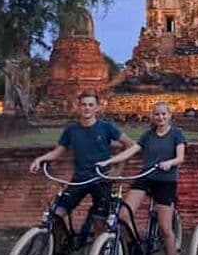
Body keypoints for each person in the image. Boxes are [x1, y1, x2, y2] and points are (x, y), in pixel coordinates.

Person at [97, 102, 186, 255]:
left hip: (166, 180)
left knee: (165, 228)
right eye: (157, 114)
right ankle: (135, 248)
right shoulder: (148, 135)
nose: (160, 117)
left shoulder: (176, 133)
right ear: (152, 116)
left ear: (169, 115)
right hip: (146, 177)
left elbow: (180, 158)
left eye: (163, 114)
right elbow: (131, 151)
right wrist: (108, 161)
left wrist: (169, 163)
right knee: (123, 215)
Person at [29, 91, 129, 240]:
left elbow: (130, 145)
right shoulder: (71, 130)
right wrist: (39, 159)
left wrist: (118, 169)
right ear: (78, 107)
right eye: (83, 105)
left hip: (101, 180)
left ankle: (98, 252)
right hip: (79, 179)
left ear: (97, 107)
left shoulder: (107, 127)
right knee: (56, 214)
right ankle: (58, 247)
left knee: (99, 222)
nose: (87, 108)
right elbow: (58, 151)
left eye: (90, 105)